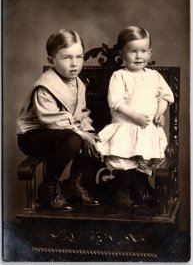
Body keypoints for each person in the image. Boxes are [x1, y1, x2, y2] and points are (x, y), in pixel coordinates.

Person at [16, 29, 101, 212]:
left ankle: (74, 183)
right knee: (74, 140)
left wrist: (89, 133)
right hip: (34, 135)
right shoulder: (45, 86)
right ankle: (49, 186)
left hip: (63, 131)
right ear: (51, 60)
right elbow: (52, 120)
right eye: (66, 58)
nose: (74, 64)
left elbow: (81, 114)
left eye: (79, 57)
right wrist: (81, 135)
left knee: (96, 139)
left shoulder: (79, 84)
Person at [96, 26, 174, 206]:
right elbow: (116, 102)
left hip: (147, 130)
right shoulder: (120, 75)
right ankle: (123, 191)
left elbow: (166, 96)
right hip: (125, 127)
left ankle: (141, 188)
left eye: (143, 51)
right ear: (122, 54)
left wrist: (160, 113)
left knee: (144, 159)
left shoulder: (154, 76)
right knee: (124, 158)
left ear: (150, 52)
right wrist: (136, 117)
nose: (139, 56)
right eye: (132, 51)